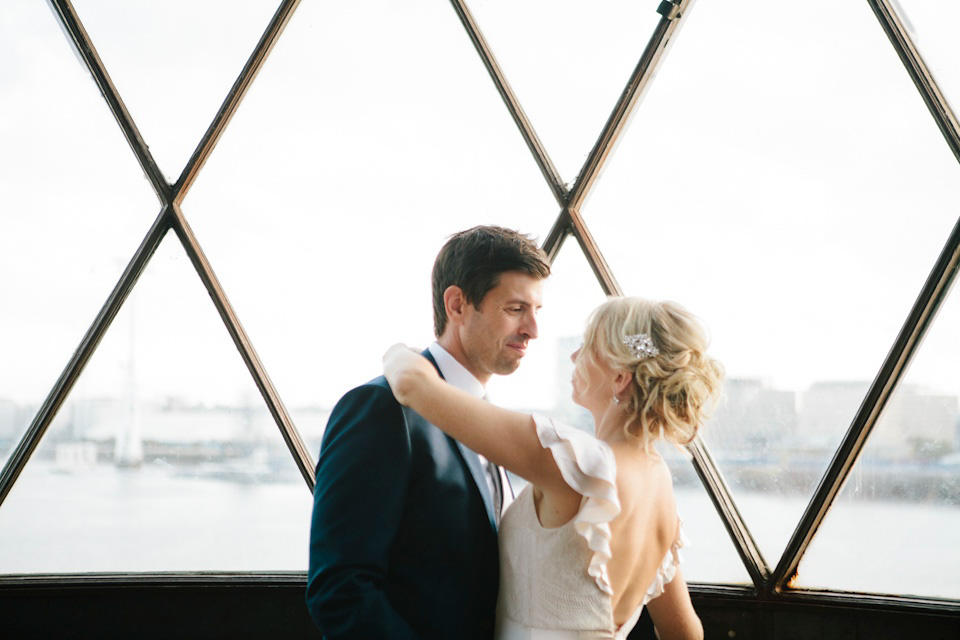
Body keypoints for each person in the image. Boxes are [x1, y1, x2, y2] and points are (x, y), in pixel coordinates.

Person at [382, 297, 723, 640]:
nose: (575, 356)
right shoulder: (657, 478)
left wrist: (400, 352)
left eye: (588, 346)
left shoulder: (579, 461)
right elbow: (685, 632)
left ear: (620, 378)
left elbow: (412, 384)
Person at [306, 225, 551, 639]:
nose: (532, 330)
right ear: (457, 304)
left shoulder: (493, 423)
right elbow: (341, 590)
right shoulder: (381, 409)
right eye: (515, 309)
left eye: (536, 311)